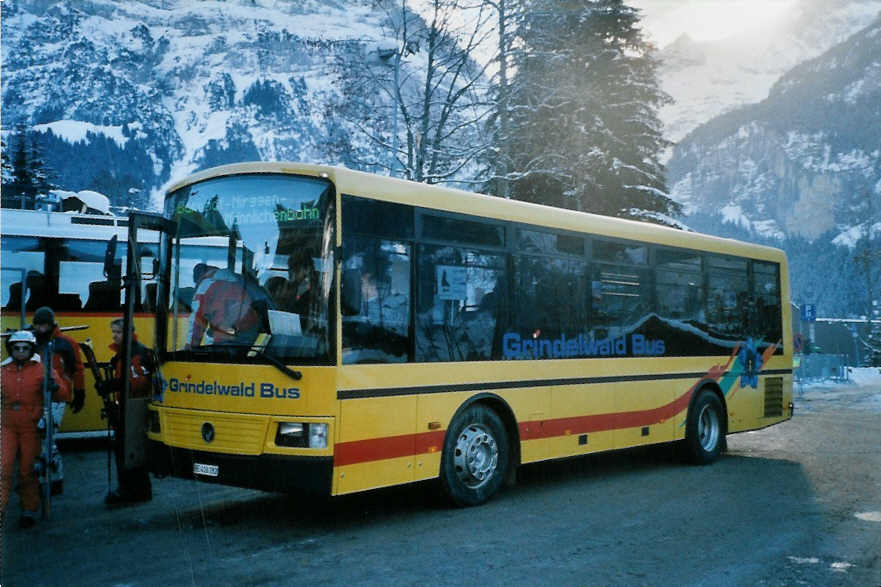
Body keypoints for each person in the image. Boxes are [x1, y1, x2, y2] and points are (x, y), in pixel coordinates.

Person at [1, 330, 70, 528]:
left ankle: (29, 508)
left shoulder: (42, 369)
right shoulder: (3, 370)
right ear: (10, 349)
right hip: (7, 425)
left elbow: (63, 393)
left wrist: (55, 387)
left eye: (25, 348)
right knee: (3, 467)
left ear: (31, 349)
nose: (20, 352)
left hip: (31, 425)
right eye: (16, 348)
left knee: (27, 469)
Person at [31, 306, 85, 496]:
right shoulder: (32, 342)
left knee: (47, 437)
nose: (41, 328)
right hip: (37, 397)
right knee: (41, 439)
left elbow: (77, 369)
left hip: (58, 397)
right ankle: (48, 479)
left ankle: (55, 478)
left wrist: (79, 391)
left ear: (51, 323)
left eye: (44, 324)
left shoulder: (66, 343)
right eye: (38, 324)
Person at [100, 318, 153, 506]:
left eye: (119, 332)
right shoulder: (125, 353)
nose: (115, 335)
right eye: (113, 332)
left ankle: (131, 490)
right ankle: (136, 490)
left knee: (128, 449)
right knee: (127, 448)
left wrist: (115, 385)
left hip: (133, 408)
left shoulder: (136, 353)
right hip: (127, 406)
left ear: (129, 333)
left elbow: (141, 382)